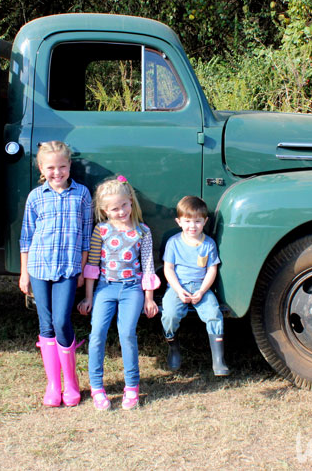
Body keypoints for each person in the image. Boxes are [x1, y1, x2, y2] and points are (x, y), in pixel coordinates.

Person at [19, 141, 93, 407]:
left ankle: (71, 382)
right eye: (51, 167)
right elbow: (26, 237)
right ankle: (53, 384)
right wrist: (24, 273)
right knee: (45, 323)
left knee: (62, 321)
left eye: (62, 166)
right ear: (41, 168)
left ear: (69, 165)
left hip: (68, 268)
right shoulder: (36, 197)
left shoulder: (82, 194)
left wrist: (83, 269)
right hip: (39, 266)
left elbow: (86, 236)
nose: (57, 172)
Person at [78, 175, 160, 410]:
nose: (121, 211)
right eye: (115, 208)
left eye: (124, 205)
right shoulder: (101, 231)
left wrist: (149, 298)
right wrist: (89, 296)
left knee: (127, 334)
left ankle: (132, 387)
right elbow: (92, 266)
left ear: (131, 202)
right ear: (105, 210)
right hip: (105, 286)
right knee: (97, 334)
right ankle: (97, 387)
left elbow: (147, 265)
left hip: (132, 288)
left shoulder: (142, 231)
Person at [161, 195, 230, 376]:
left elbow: (211, 270)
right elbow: (168, 269)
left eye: (198, 221)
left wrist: (201, 291)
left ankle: (218, 359)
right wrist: (178, 290)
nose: (193, 226)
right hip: (178, 286)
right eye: (187, 221)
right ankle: (173, 348)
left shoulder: (208, 244)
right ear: (179, 222)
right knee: (169, 314)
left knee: (214, 314)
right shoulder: (174, 242)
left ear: (205, 221)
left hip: (201, 287)